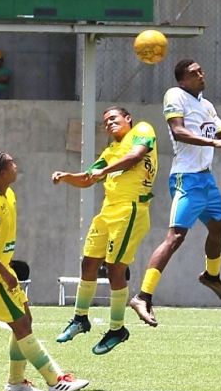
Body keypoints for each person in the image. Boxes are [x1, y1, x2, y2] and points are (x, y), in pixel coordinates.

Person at [129, 59, 221, 327]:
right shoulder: (175, 95)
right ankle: (143, 296)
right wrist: (215, 140)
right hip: (186, 178)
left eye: (201, 70)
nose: (201, 74)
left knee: (219, 229)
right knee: (175, 237)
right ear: (183, 80)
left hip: (206, 178)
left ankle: (212, 276)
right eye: (194, 73)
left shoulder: (206, 105)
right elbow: (178, 132)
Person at [0, 151, 89, 391]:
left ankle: (15, 382)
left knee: (25, 321)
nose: (16, 165)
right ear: (2, 173)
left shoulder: (8, 194)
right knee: (21, 325)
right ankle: (55, 381)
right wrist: (4, 272)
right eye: (11, 163)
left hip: (1, 273)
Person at [52, 106, 158, 355]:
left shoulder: (142, 130)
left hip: (131, 209)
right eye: (106, 121)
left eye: (114, 118)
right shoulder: (110, 151)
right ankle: (80, 318)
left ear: (127, 119)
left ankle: (117, 328)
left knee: (114, 268)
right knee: (89, 264)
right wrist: (68, 176)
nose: (109, 123)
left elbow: (136, 155)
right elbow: (89, 177)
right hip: (108, 211)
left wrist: (104, 170)